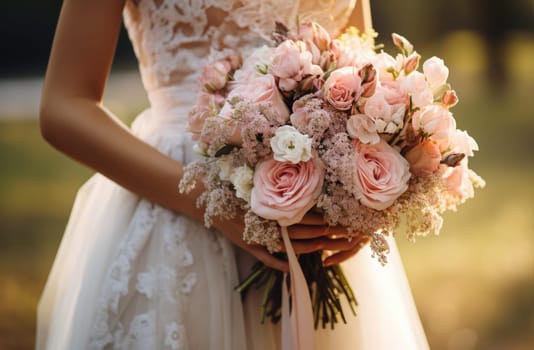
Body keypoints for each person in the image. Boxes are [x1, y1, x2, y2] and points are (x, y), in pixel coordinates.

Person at [37, 0, 430, 348]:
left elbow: (359, 67)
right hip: (177, 207)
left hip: (316, 227)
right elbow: (64, 106)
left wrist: (358, 196)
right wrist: (210, 202)